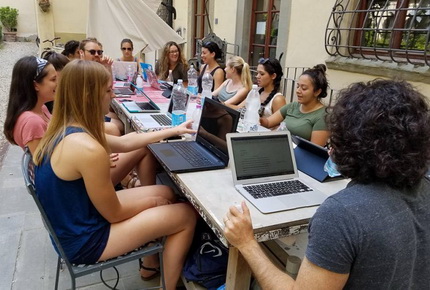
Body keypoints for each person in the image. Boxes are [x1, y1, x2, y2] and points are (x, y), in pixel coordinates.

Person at [223, 79, 430, 289]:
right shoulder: (425, 187)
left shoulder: (341, 215)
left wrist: (247, 243)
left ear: (350, 142)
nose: (331, 148)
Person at [33, 60, 197, 290]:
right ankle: (168, 285)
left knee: (167, 191)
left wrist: (174, 130)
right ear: (90, 96)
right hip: (86, 240)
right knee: (186, 215)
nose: (112, 96)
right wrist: (152, 203)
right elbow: (114, 214)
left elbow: (124, 141)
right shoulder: (88, 149)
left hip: (74, 220)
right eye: (108, 90)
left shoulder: (64, 128)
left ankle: (158, 258)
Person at [260, 64, 330, 146]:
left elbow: (314, 150)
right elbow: (268, 122)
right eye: (298, 86)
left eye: (304, 88)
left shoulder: (322, 116)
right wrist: (257, 118)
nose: (298, 91)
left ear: (317, 92)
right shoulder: (293, 106)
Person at [4, 56, 57, 154]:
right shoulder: (33, 122)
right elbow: (42, 164)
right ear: (35, 85)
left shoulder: (42, 108)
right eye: (53, 79)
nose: (58, 83)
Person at [79, 37, 122, 135]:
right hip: (85, 118)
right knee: (119, 126)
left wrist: (107, 67)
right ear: (82, 53)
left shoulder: (95, 69)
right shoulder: (80, 71)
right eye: (92, 52)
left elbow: (109, 88)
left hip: (92, 113)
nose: (97, 55)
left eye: (99, 52)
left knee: (119, 118)